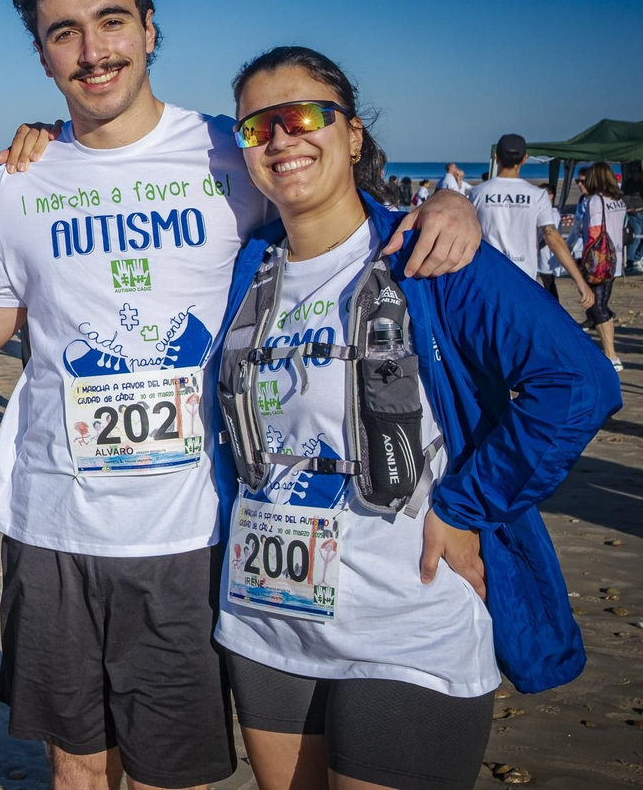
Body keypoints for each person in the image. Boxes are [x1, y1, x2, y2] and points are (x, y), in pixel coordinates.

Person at [0, 0, 480, 790]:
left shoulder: (229, 150)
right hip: (47, 520)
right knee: (75, 769)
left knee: (165, 774)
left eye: (112, 21)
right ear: (41, 54)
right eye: (63, 32)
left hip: (188, 527)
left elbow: (336, 199)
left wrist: (452, 203)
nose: (92, 50)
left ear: (150, 28)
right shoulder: (16, 183)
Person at [211, 45, 618, 790]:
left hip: (406, 621)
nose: (281, 139)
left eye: (304, 115)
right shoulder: (242, 266)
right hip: (266, 620)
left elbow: (579, 384)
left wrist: (467, 506)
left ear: (354, 134)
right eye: (256, 128)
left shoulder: (426, 255)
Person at [469, 133, 592, 311]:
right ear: (525, 159)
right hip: (524, 278)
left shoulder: (478, 192)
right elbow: (552, 237)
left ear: (496, 157)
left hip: (488, 278)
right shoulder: (537, 195)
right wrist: (580, 281)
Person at [581, 162, 627, 370]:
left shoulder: (596, 201)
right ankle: (610, 353)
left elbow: (594, 231)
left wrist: (585, 261)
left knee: (597, 307)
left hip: (600, 261)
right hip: (614, 260)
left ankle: (611, 355)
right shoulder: (618, 200)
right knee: (601, 305)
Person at [536, 186, 563, 299]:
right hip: (542, 254)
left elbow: (550, 236)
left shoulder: (553, 214)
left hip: (547, 256)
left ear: (551, 196)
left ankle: (555, 308)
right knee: (546, 283)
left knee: (549, 283)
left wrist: (535, 247)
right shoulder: (543, 212)